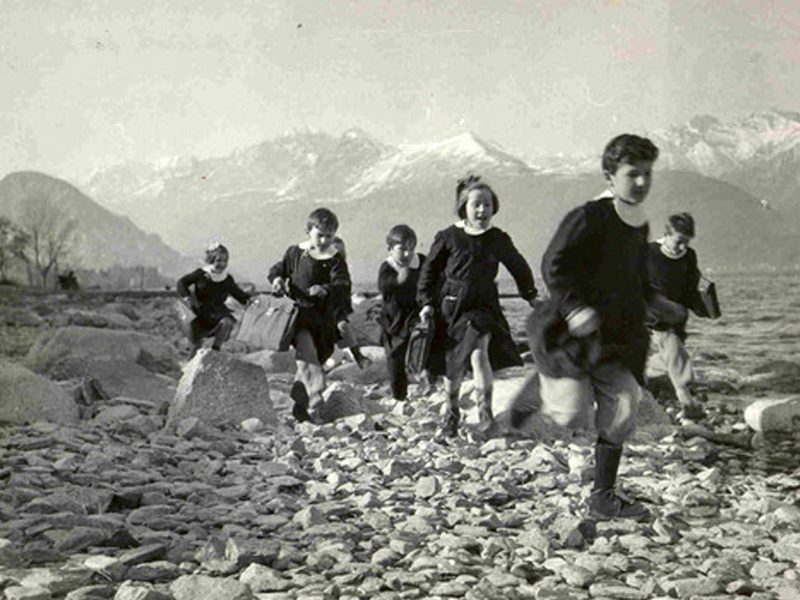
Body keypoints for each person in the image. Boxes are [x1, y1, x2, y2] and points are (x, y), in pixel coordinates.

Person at [533, 133, 660, 522]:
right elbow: (552, 263)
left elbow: (635, 276)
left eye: (647, 174)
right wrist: (573, 308)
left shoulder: (637, 225)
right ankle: (548, 418)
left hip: (615, 338)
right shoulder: (589, 216)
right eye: (631, 174)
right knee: (569, 413)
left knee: (624, 404)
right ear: (609, 176)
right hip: (568, 335)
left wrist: (653, 304)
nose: (641, 182)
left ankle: (602, 495)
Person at [417, 175, 538, 440]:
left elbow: (519, 267)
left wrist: (530, 295)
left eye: (487, 205)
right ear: (464, 208)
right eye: (476, 205)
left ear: (494, 207)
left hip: (484, 305)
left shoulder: (497, 239)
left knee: (479, 351)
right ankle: (451, 411)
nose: (482, 210)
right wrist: (426, 303)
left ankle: (486, 414)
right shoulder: (448, 236)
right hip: (451, 306)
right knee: (454, 361)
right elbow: (428, 271)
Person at [268, 208, 350, 423]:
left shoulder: (335, 259)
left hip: (324, 320)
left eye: (329, 236)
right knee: (307, 353)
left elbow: (342, 284)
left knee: (319, 355)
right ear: (308, 231)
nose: (323, 240)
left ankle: (299, 404)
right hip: (300, 316)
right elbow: (278, 269)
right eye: (319, 234)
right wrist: (276, 280)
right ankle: (315, 392)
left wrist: (326, 289)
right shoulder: (295, 253)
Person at [645, 212, 709, 420]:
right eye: (679, 241)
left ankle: (648, 382)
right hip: (652, 313)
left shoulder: (689, 256)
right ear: (667, 234)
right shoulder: (648, 253)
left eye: (687, 242)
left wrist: (704, 303)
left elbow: (691, 288)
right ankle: (685, 397)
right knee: (671, 346)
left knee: (668, 356)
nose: (683, 247)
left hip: (677, 315)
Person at [378, 224, 427, 401]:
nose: (407, 254)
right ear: (390, 249)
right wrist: (398, 279)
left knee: (422, 335)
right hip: (394, 319)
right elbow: (384, 285)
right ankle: (399, 396)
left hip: (416, 313)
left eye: (411, 249)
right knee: (394, 357)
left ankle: (422, 372)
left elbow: (434, 278)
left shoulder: (421, 262)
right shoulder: (388, 266)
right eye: (402, 249)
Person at [176, 243, 251, 356]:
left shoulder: (227, 279)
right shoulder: (200, 274)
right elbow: (181, 283)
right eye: (219, 260)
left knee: (227, 322)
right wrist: (187, 297)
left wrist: (253, 301)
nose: (222, 264)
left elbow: (239, 295)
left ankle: (215, 351)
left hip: (218, 314)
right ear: (211, 259)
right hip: (199, 313)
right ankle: (190, 367)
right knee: (196, 344)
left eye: (225, 261)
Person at [330, 236, 371, 370]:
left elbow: (343, 289)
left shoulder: (342, 268)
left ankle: (358, 356)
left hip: (338, 307)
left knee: (343, 327)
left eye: (340, 253)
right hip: (325, 306)